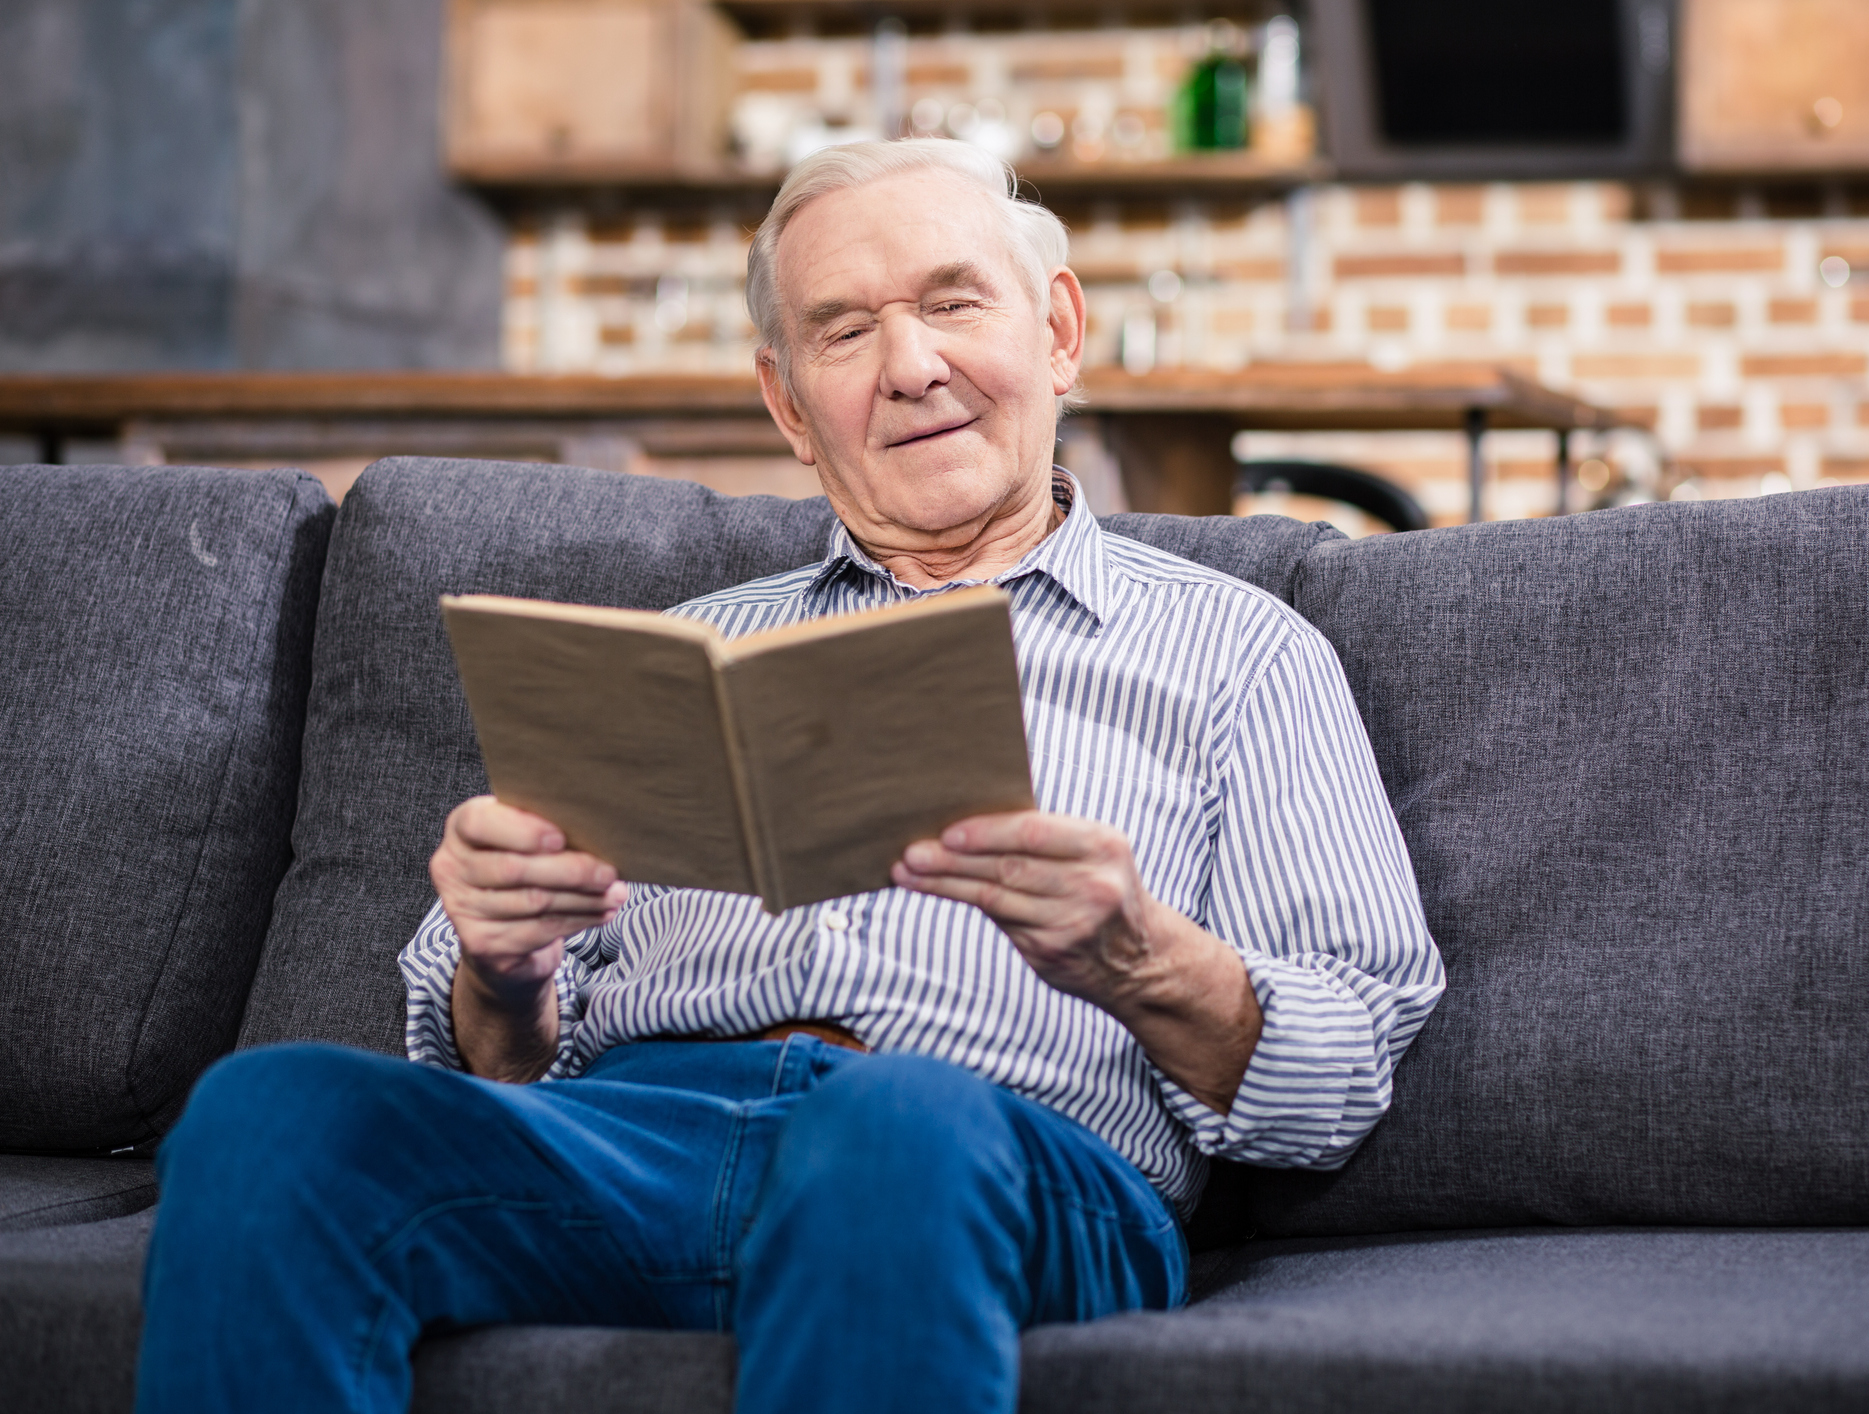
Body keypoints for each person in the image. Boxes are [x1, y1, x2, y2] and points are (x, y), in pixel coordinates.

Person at [136, 139, 1444, 1414]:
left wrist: (1141, 958)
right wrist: (504, 968)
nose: (910, 366)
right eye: (843, 331)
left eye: (950, 301)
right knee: (268, 1113)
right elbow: (495, 1062)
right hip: (636, 1132)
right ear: (785, 404)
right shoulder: (680, 652)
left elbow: (1342, 1074)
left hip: (999, 1148)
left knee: (889, 1125)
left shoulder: (1240, 651)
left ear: (1055, 332)